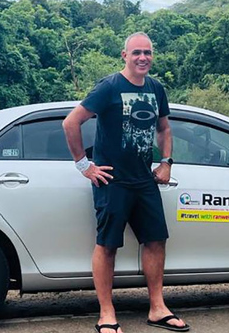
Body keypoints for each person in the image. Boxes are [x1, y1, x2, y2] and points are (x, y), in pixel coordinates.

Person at [63, 32, 189, 333]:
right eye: (136, 53)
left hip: (144, 180)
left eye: (147, 52)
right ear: (125, 55)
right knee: (107, 245)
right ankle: (107, 314)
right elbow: (71, 122)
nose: (143, 58)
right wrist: (85, 165)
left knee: (156, 240)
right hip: (113, 180)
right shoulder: (109, 87)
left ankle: (158, 308)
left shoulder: (156, 88)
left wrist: (166, 162)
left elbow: (164, 128)